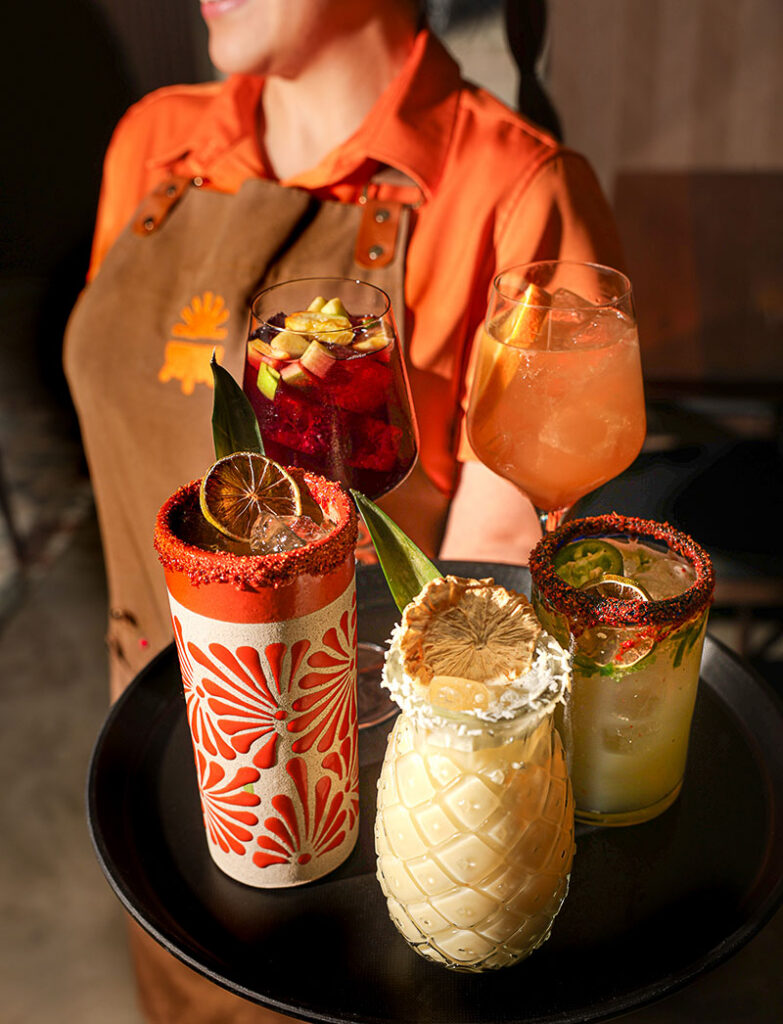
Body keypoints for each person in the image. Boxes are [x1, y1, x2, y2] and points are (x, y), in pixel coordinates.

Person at [65, 1, 624, 1020]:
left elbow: (498, 564)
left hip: (367, 812)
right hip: (166, 760)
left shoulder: (514, 190)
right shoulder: (155, 139)